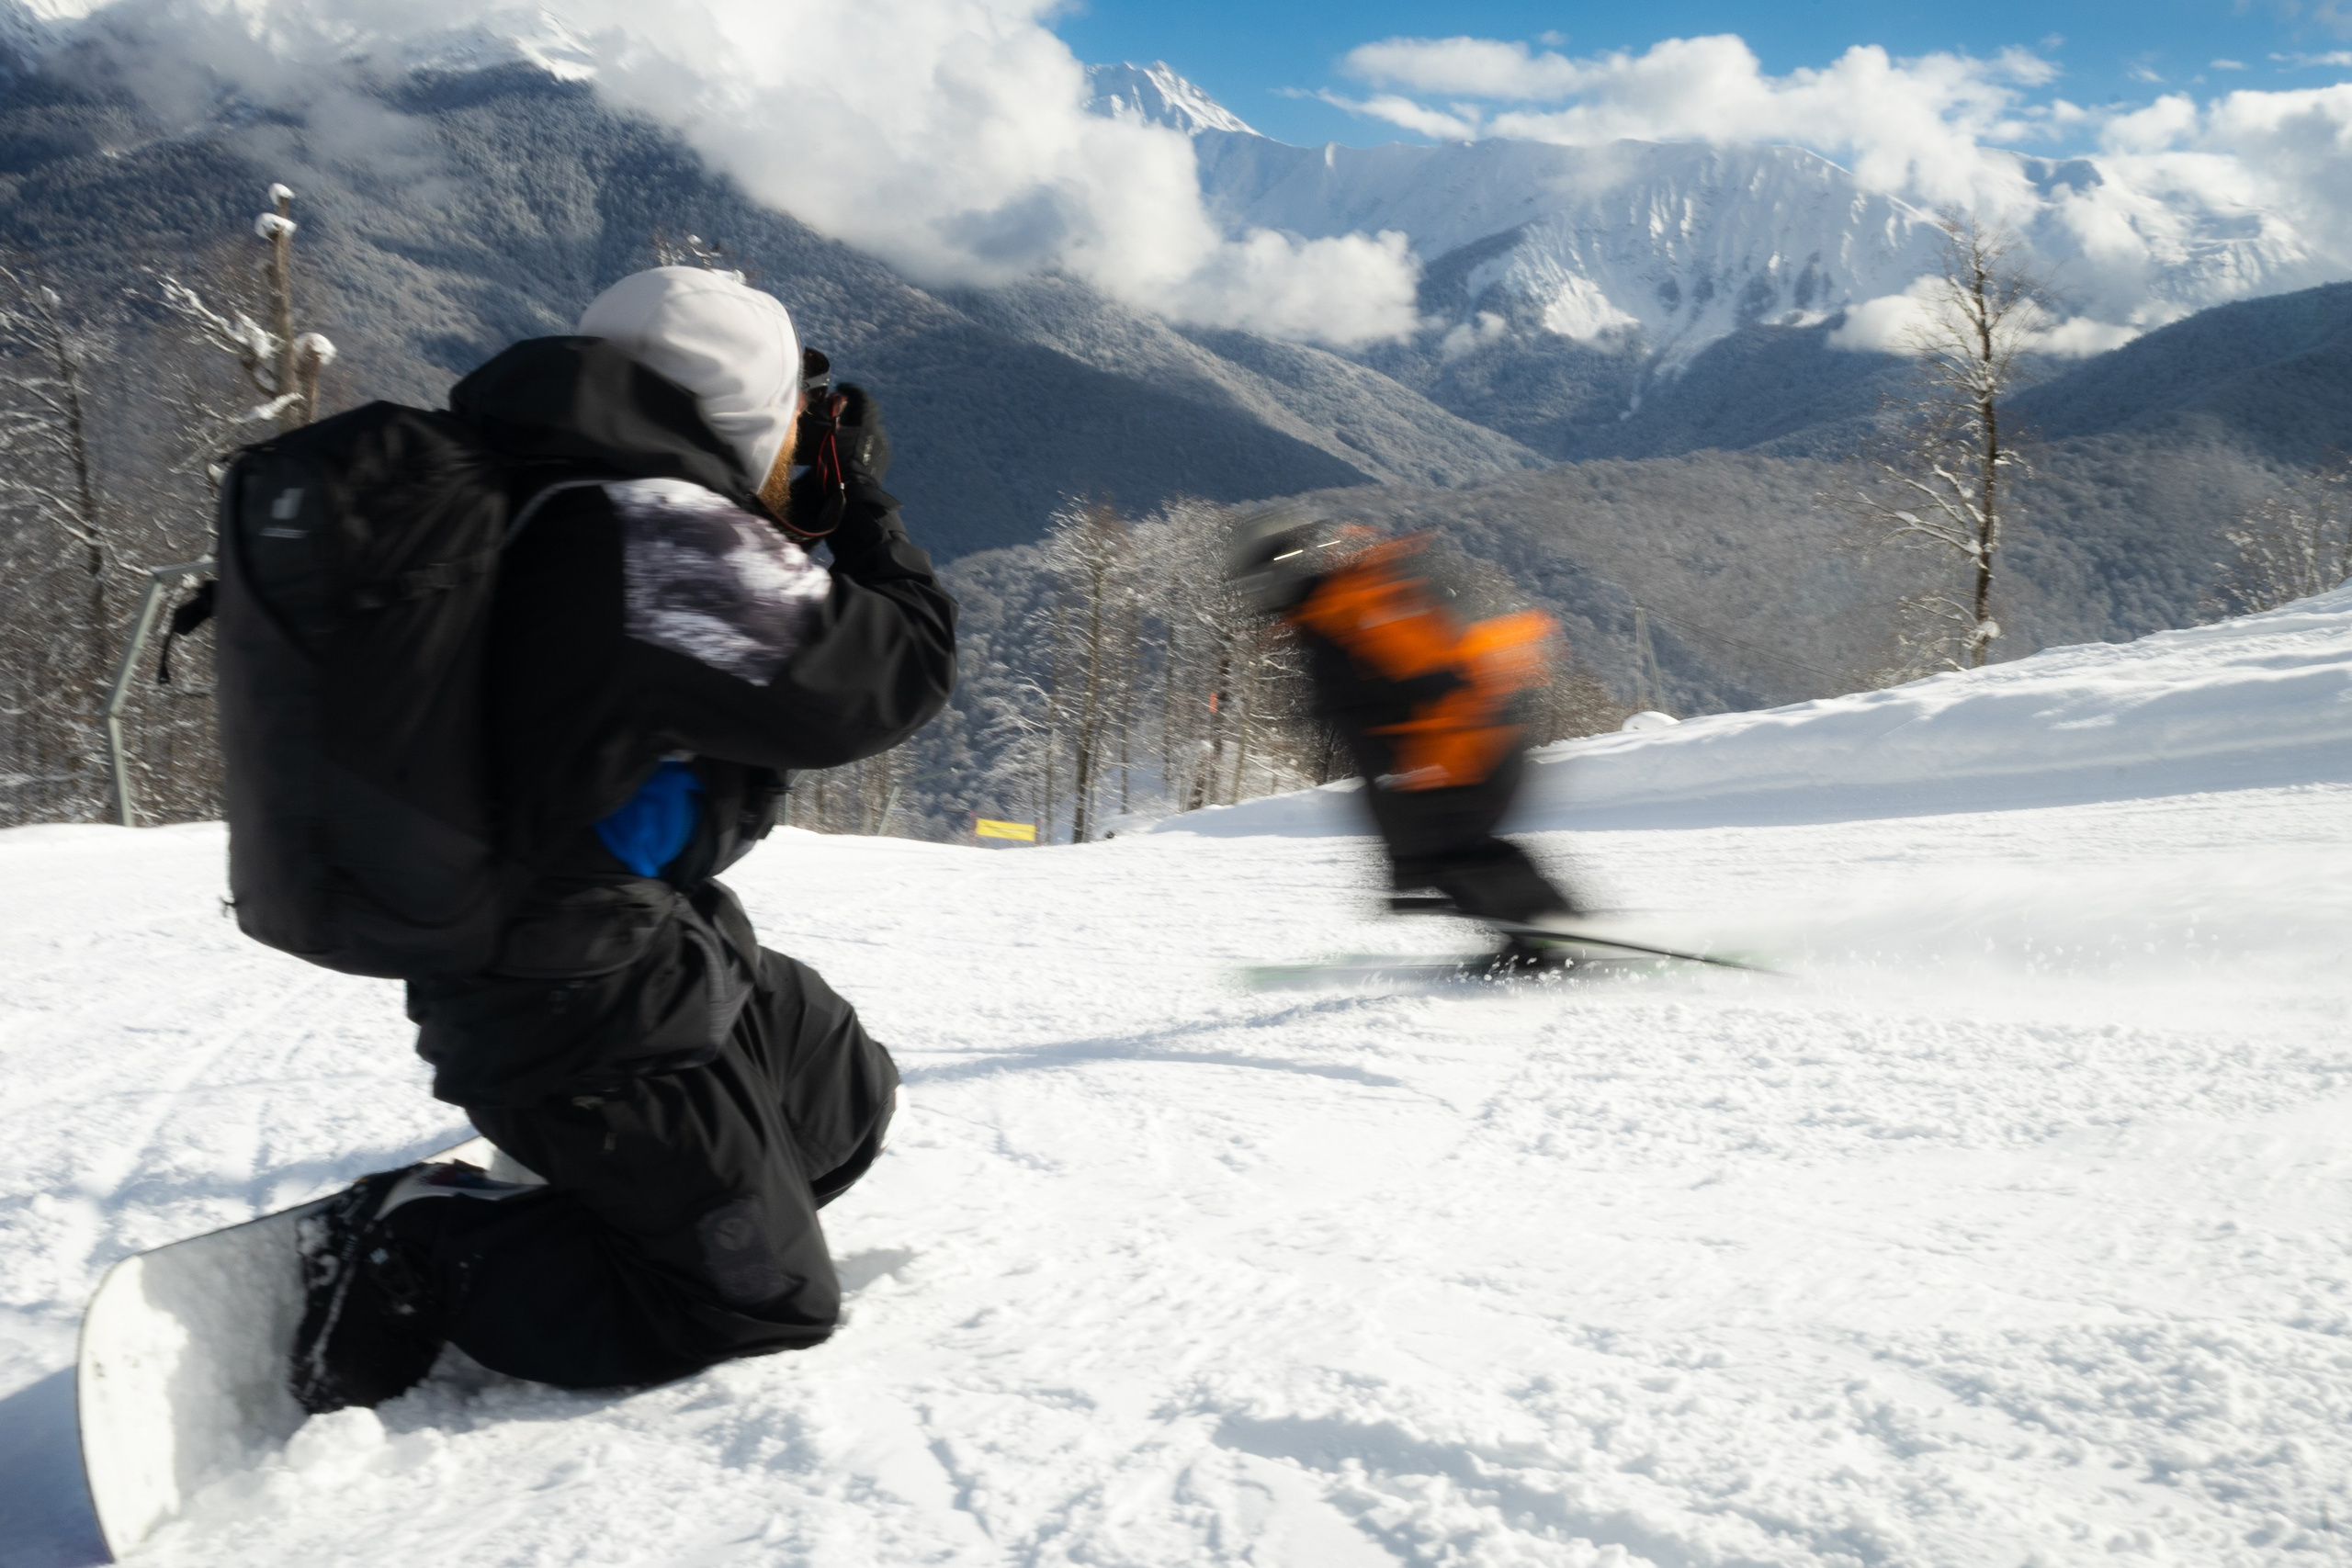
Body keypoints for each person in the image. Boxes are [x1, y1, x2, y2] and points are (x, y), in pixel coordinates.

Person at [290, 267, 957, 1411]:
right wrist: (856, 503)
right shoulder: (660, 540)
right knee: (756, 1301)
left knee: (840, 1101)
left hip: (639, 950)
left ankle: (673, 1195)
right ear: (746, 417)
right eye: (787, 418)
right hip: (572, 1012)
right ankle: (417, 1245)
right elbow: (897, 671)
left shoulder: (530, 487)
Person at [1227, 507, 1581, 965]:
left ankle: (1550, 939)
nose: (1257, 596)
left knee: (1452, 853)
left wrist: (1430, 771)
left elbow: (1436, 683)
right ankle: (1543, 935)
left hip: (1465, 748)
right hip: (1459, 748)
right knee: (1443, 854)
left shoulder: (1347, 610)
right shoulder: (1329, 612)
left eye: (1257, 582)